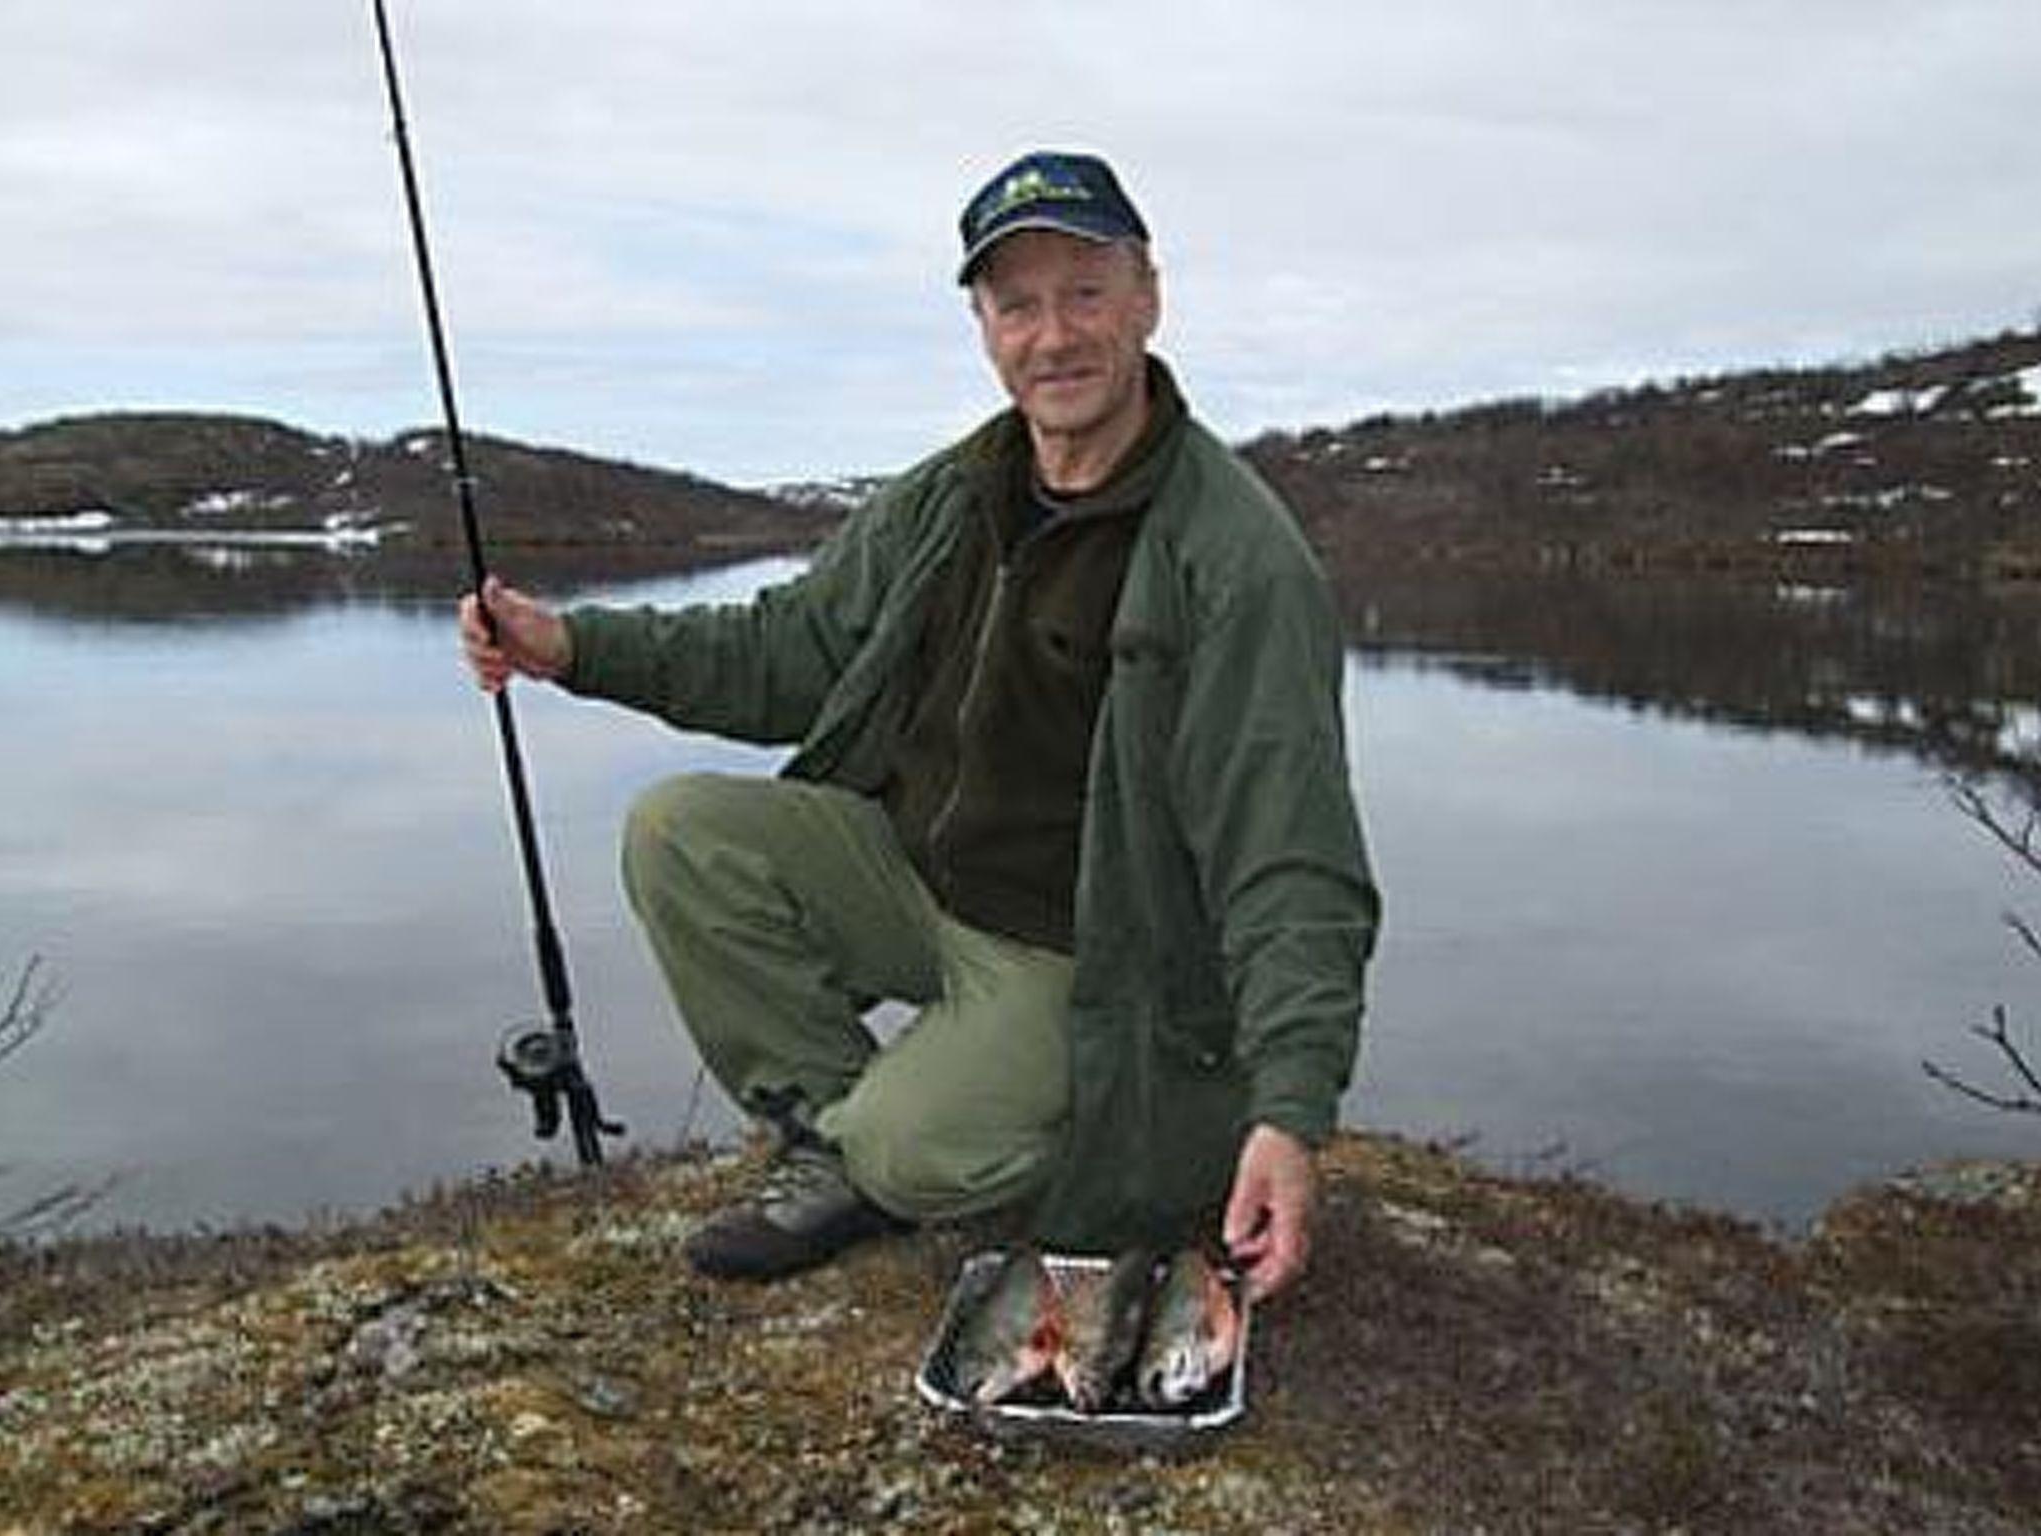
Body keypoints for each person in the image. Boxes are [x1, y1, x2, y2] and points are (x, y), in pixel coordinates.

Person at [460, 149, 1380, 1302]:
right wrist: (575, 649)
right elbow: (788, 650)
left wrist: (1288, 1115)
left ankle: (925, 1143)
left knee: (906, 1148)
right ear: (984, 328)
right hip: (911, 880)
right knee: (678, 832)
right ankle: (841, 1143)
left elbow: (1289, 860)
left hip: (1078, 959)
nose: (1054, 335)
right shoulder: (955, 494)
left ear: (1147, 298)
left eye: (1085, 293)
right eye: (1017, 304)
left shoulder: (1237, 561)